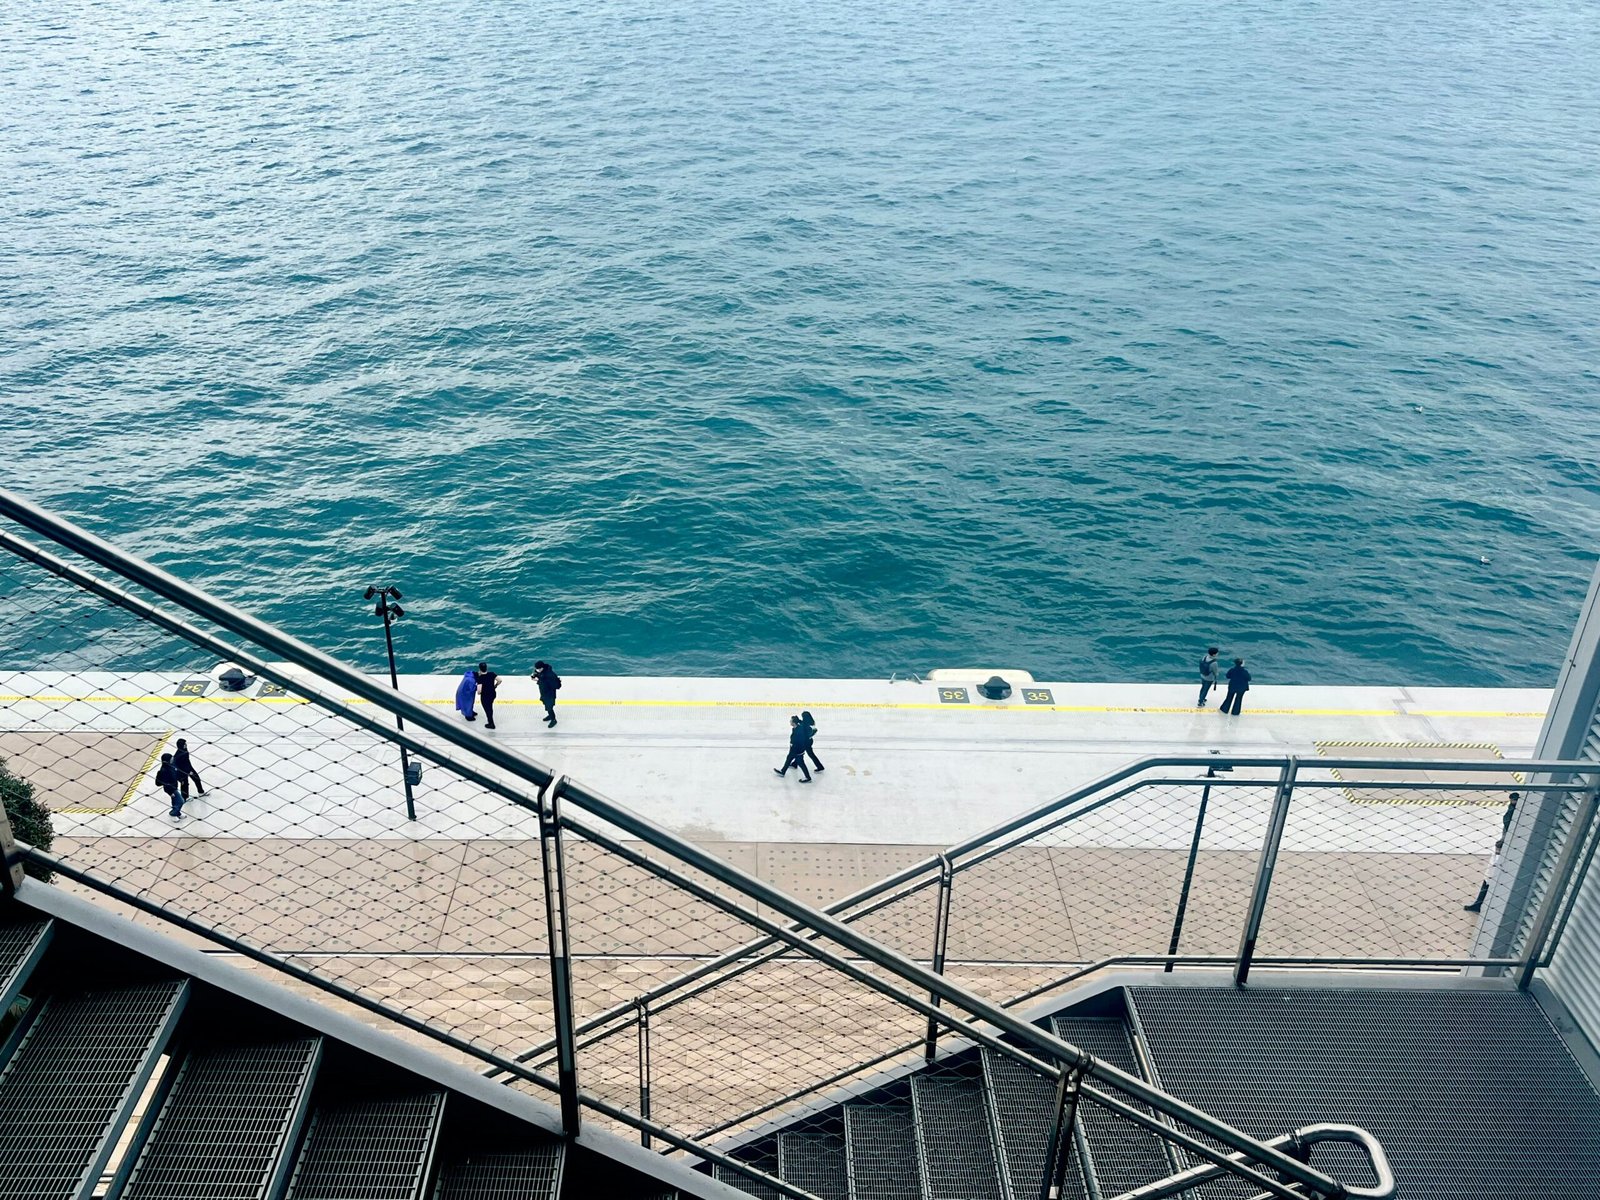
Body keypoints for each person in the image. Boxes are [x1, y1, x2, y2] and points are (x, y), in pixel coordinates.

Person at [1465, 839, 1503, 913]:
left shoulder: (1500, 857)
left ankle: (1478, 905)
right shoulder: (1495, 854)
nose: (1497, 851)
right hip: (1490, 876)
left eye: (1498, 850)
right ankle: (1477, 905)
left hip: (1495, 877)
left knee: (1487, 891)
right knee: (1484, 890)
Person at [773, 715, 813, 782]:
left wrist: (797, 750)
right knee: (788, 759)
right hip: (793, 749)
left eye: (791, 721)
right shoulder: (795, 728)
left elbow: (800, 741)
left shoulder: (799, 730)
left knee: (801, 764)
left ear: (794, 723)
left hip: (797, 751)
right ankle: (783, 771)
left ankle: (808, 778)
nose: (790, 722)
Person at [533, 661, 561, 727]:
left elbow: (553, 685)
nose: (537, 670)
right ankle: (550, 715)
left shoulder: (550, 675)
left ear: (542, 667)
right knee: (547, 705)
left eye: (539, 669)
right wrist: (536, 675)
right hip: (544, 693)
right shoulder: (541, 672)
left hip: (549, 694)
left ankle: (553, 720)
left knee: (549, 707)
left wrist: (538, 680)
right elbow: (541, 677)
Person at [155, 751, 183, 818]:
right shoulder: (164, 771)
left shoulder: (171, 766)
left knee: (175, 801)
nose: (172, 759)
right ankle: (173, 814)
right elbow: (165, 783)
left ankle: (178, 813)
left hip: (174, 786)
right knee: (180, 801)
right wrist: (171, 792)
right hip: (171, 789)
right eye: (171, 758)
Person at [476, 662, 500, 730]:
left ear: (480, 669)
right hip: (492, 694)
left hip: (485, 697)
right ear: (487, 668)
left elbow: (479, 691)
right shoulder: (491, 674)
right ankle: (490, 721)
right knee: (490, 706)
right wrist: (495, 685)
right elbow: (500, 680)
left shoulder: (480, 678)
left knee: (488, 709)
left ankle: (491, 723)